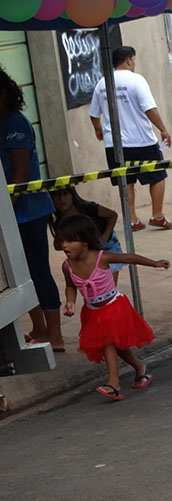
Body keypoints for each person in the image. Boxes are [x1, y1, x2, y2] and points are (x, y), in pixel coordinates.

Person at [57, 213, 168, 401]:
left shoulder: (102, 258)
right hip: (92, 311)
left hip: (113, 307)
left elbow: (129, 258)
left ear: (85, 241)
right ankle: (139, 367)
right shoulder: (67, 266)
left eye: (69, 241)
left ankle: (114, 383)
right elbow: (70, 286)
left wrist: (155, 263)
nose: (64, 245)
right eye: (62, 241)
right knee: (117, 346)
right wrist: (70, 301)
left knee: (107, 342)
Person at [0, 67, 65, 352]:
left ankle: (55, 334)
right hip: (10, 213)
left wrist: (4, 211)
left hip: (28, 212)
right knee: (18, 274)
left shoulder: (16, 124)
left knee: (38, 270)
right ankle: (39, 327)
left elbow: (21, 175)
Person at [89, 46, 172, 231]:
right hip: (141, 140)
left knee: (125, 180)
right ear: (129, 60)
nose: (134, 63)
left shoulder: (102, 83)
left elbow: (94, 113)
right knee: (157, 176)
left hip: (114, 144)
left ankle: (132, 219)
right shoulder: (137, 80)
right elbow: (149, 108)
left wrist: (98, 129)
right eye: (134, 60)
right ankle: (157, 215)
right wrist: (163, 129)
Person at [49, 186, 125, 284]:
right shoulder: (59, 222)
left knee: (109, 284)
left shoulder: (87, 208)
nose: (61, 199)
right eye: (56, 195)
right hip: (85, 253)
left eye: (65, 193)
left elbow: (113, 215)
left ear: (73, 195)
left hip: (107, 246)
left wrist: (104, 238)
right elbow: (57, 245)